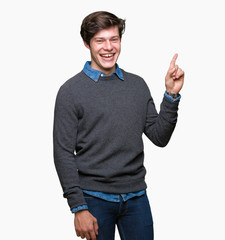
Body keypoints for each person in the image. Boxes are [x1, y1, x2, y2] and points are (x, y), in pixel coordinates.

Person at [53, 11, 184, 240]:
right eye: (100, 40)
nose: (108, 47)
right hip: (93, 199)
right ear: (87, 43)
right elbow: (63, 153)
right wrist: (78, 207)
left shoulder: (137, 85)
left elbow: (159, 137)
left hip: (136, 199)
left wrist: (171, 96)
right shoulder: (70, 91)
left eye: (114, 39)